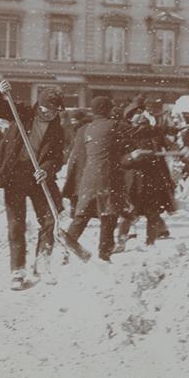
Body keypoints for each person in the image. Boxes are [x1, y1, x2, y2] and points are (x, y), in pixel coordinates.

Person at [0, 80, 66, 290]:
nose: (49, 114)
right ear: (38, 105)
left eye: (54, 111)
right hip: (15, 175)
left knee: (49, 219)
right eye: (45, 110)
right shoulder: (23, 113)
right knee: (16, 224)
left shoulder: (58, 129)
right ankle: (17, 271)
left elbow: (57, 158)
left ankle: (42, 265)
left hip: (38, 178)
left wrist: (46, 169)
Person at [65, 97, 129, 262]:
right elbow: (138, 133)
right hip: (108, 178)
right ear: (107, 109)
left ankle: (67, 243)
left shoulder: (84, 129)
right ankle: (104, 255)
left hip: (88, 178)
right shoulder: (115, 126)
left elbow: (77, 157)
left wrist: (74, 182)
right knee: (108, 216)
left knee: (82, 215)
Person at [114, 111, 176, 252]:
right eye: (139, 124)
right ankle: (121, 242)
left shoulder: (155, 136)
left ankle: (150, 243)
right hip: (133, 183)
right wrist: (131, 156)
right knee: (128, 214)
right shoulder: (126, 138)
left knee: (153, 214)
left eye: (144, 124)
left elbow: (171, 145)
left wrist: (178, 149)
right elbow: (120, 160)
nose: (142, 127)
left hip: (153, 181)